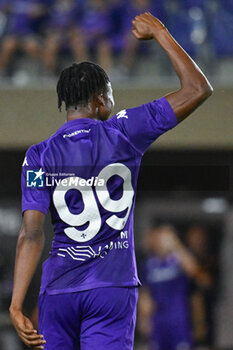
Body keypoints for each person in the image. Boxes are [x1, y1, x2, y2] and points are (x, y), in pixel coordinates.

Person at [9, 12, 212, 350]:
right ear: (100, 100)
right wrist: (161, 32)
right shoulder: (124, 131)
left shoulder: (38, 155)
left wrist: (16, 305)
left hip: (58, 290)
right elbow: (198, 88)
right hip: (111, 289)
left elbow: (31, 233)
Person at [138, 225, 210, 350]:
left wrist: (176, 245)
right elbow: (145, 293)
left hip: (179, 320)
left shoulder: (180, 259)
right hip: (158, 321)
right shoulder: (148, 264)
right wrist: (143, 319)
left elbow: (195, 272)